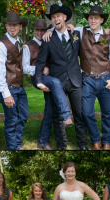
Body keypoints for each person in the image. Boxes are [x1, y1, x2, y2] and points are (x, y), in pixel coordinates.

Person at [35, 5, 88, 150]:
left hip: (76, 81)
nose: (56, 19)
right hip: (57, 81)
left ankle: (83, 145)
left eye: (58, 16)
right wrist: (39, 82)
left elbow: (94, 29)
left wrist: (107, 32)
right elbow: (40, 62)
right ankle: (62, 145)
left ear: (65, 17)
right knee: (57, 116)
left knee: (79, 114)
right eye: (53, 17)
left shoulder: (76, 34)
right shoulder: (48, 40)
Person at [23, 19, 73, 150]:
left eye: (42, 30)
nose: (39, 32)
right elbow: (24, 68)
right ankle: (67, 115)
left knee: (50, 109)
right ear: (33, 30)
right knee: (56, 82)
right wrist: (38, 70)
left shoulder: (50, 40)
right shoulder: (28, 46)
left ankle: (42, 141)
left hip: (51, 77)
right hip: (38, 77)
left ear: (46, 30)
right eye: (37, 30)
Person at [75, 6, 110, 150]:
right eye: (91, 17)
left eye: (96, 18)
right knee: (87, 112)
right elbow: (63, 28)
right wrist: (50, 30)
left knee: (107, 113)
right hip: (87, 79)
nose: (93, 20)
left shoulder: (109, 37)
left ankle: (106, 141)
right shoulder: (81, 32)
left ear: (101, 20)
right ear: (88, 19)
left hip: (105, 78)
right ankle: (95, 140)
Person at [0, 12, 28, 150]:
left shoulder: (19, 43)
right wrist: (6, 94)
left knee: (23, 116)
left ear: (20, 26)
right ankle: (12, 147)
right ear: (6, 25)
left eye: (15, 25)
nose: (12, 28)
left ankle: (17, 144)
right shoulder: (0, 46)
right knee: (12, 120)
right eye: (9, 25)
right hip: (8, 89)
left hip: (19, 87)